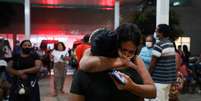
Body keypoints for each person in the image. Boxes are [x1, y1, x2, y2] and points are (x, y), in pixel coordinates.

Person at [70, 24, 156, 101]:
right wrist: (121, 62)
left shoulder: (136, 60)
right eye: (123, 50)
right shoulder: (94, 57)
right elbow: (84, 64)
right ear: (116, 44)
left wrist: (132, 87)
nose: (126, 54)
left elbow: (152, 92)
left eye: (131, 52)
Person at [149, 24, 177, 101]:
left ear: (161, 33)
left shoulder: (159, 45)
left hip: (159, 80)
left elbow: (152, 65)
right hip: (168, 81)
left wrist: (148, 76)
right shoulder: (170, 44)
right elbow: (172, 64)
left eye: (156, 30)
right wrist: (173, 80)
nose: (155, 31)